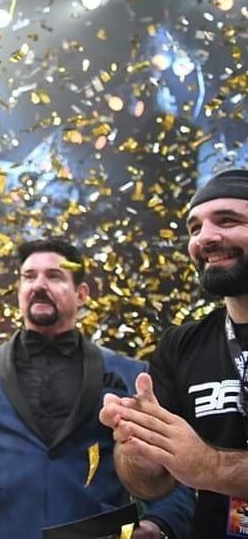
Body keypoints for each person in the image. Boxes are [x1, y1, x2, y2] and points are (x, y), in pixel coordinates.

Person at [0, 238, 193, 539]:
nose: (39, 285)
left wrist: (159, 524)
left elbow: (170, 467)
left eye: (54, 276)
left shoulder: (132, 375)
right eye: (29, 276)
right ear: (19, 290)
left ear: (81, 294)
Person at [101, 168, 248, 538]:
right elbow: (152, 485)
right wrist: (137, 450)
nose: (205, 238)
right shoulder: (180, 345)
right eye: (194, 228)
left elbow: (202, 466)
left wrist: (212, 466)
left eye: (227, 221)